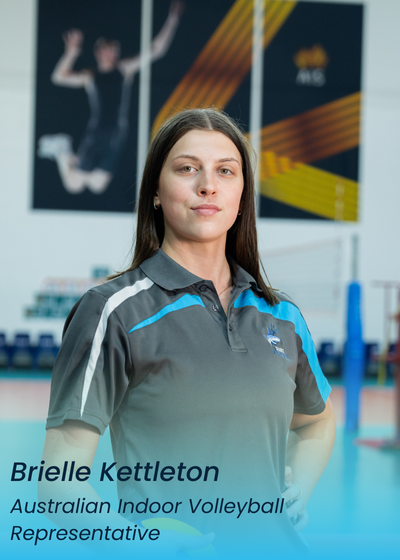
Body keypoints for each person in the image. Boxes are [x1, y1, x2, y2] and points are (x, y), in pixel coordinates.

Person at [39, 108, 336, 560]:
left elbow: (317, 421)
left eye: (225, 171)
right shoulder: (112, 311)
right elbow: (57, 484)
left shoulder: (283, 316)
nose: (207, 185)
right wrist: (138, 542)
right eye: (187, 168)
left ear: (242, 196)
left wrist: (299, 492)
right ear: (156, 193)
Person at [37, 0, 183, 195]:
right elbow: (58, 77)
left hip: (117, 134)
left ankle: (69, 155)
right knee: (74, 186)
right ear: (98, 53)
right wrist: (71, 54)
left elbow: (156, 50)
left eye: (115, 49)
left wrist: (172, 20)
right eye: (108, 48)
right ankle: (62, 151)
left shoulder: (124, 70)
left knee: (97, 186)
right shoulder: (90, 76)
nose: (112, 52)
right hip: (97, 133)